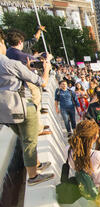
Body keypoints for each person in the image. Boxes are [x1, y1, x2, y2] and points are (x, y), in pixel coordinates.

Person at [0, 28, 53, 186]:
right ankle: (33, 176)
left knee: (24, 138)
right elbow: (42, 82)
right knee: (30, 140)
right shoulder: (10, 63)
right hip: (20, 106)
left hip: (4, 112)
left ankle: (36, 164)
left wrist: (26, 70)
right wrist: (46, 69)